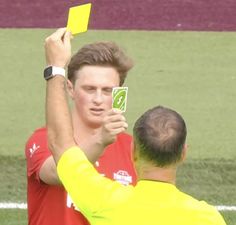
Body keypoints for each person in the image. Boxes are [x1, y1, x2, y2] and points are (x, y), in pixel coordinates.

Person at [45, 28, 226, 225]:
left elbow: (60, 145)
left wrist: (56, 68)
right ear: (183, 153)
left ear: (133, 151)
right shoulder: (208, 218)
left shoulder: (105, 201)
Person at [25, 29, 137, 225]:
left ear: (121, 95)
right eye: (89, 89)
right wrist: (100, 141)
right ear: (70, 89)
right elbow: (57, 173)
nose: (98, 99)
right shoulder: (42, 140)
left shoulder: (134, 149)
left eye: (107, 91)